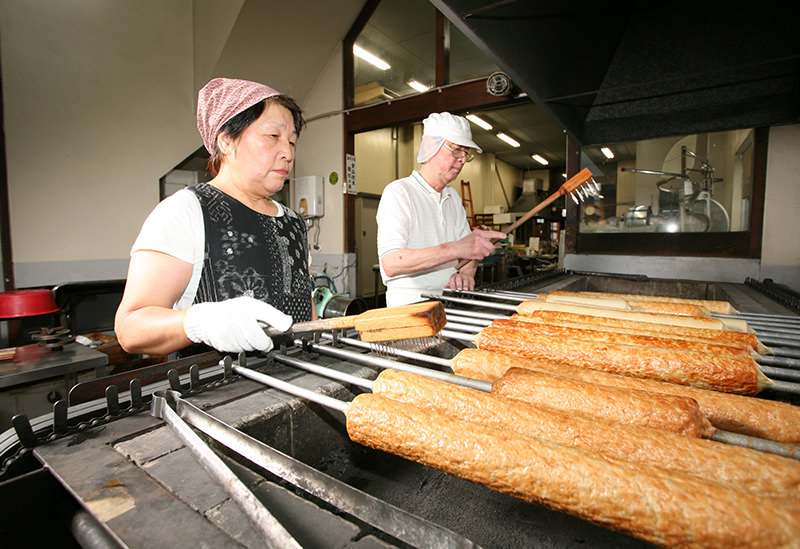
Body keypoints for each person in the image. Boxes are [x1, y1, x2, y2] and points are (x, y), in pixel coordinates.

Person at [115, 77, 314, 356]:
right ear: (226, 141)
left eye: (292, 141)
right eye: (273, 137)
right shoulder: (187, 210)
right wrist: (200, 321)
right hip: (218, 393)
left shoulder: (293, 223)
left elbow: (308, 310)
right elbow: (131, 328)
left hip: (299, 384)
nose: (288, 153)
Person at [376, 112, 506, 307]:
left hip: (448, 304)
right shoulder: (400, 192)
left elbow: (468, 254)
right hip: (410, 311)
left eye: (465, 153)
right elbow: (392, 263)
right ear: (431, 146)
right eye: (456, 150)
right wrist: (455, 248)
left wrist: (466, 273)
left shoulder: (453, 198)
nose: (462, 159)